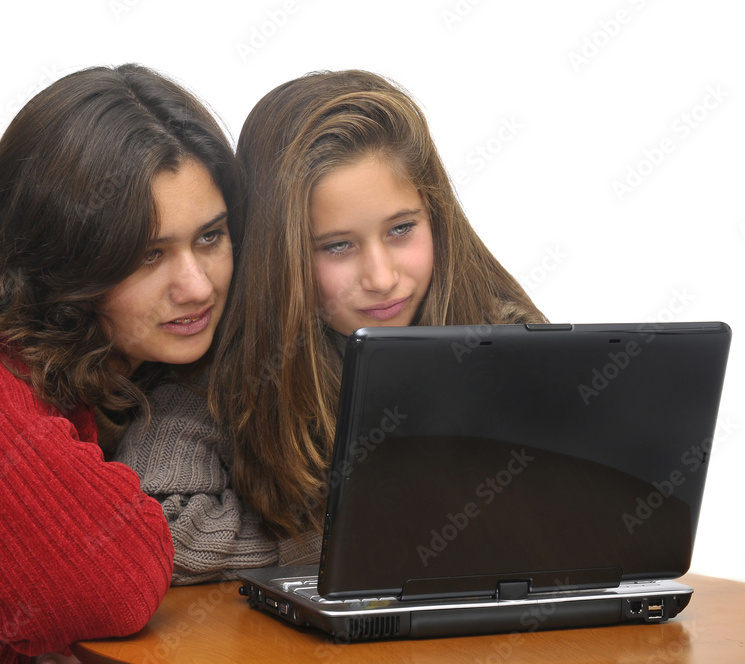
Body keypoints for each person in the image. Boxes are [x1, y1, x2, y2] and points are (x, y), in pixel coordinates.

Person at [114, 69, 545, 584]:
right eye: (337, 246)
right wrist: (356, 537)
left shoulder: (505, 336)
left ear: (437, 216)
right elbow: (164, 531)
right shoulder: (218, 372)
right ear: (280, 258)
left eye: (402, 229)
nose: (383, 278)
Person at [0, 63, 242, 664]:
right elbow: (97, 588)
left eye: (210, 237)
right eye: (146, 254)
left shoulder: (130, 352)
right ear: (60, 255)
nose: (195, 286)